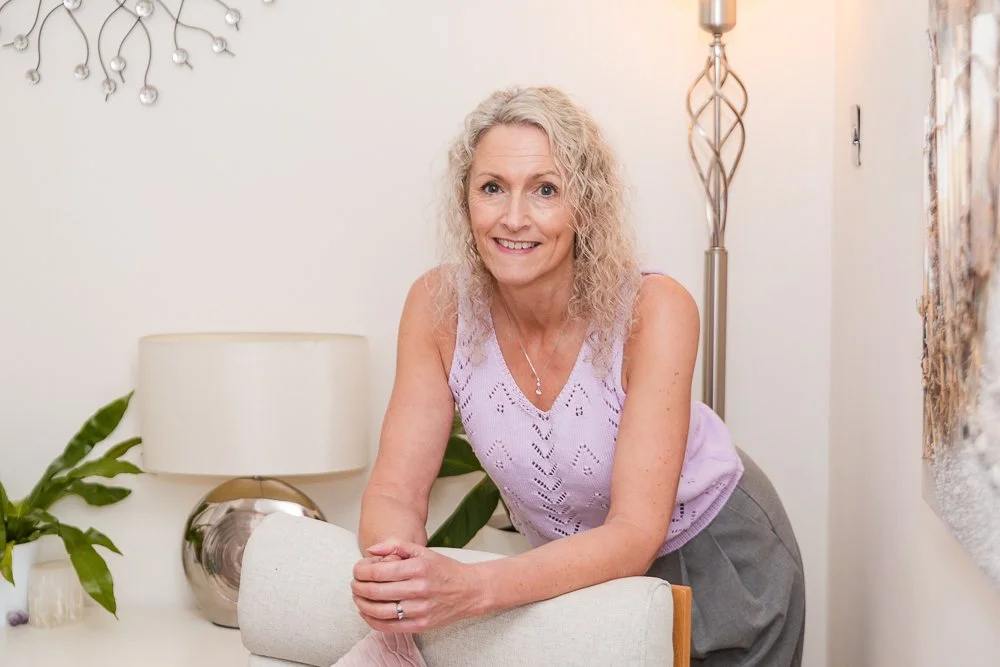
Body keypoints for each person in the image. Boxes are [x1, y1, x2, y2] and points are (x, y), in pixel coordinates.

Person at [352, 85, 806, 666]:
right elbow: (395, 490)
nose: (514, 217)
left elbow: (634, 533)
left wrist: (473, 589)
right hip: (577, 573)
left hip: (717, 558)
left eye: (546, 190)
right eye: (492, 188)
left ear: (585, 206)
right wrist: (394, 571)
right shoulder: (437, 307)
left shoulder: (655, 309)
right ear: (466, 202)